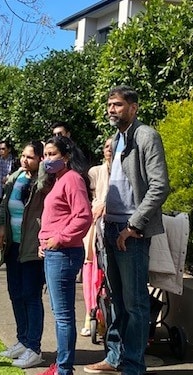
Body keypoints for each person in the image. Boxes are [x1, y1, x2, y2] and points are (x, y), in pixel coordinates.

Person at [84, 86, 170, 375]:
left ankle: (133, 371)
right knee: (115, 300)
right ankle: (116, 355)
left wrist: (133, 226)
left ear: (133, 107)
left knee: (135, 304)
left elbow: (159, 187)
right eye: (109, 104)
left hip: (130, 234)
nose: (111, 109)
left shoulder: (146, 136)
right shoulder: (118, 139)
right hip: (111, 227)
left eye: (118, 105)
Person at [33, 135, 92, 375]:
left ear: (66, 156)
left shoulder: (73, 179)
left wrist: (59, 239)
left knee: (64, 316)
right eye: (45, 154)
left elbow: (83, 216)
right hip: (54, 252)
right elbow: (55, 217)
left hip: (64, 254)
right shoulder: (58, 180)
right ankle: (60, 366)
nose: (47, 159)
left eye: (52, 154)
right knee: (60, 315)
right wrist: (44, 239)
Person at [0, 141, 50, 369]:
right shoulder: (15, 177)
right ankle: (22, 339)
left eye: (31, 157)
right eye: (23, 156)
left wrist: (46, 166)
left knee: (31, 295)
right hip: (13, 245)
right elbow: (4, 205)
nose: (25, 160)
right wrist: (0, 225)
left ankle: (34, 347)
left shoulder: (44, 182)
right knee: (15, 293)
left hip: (32, 247)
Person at [80, 136, 112, 336]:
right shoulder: (95, 171)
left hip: (114, 224)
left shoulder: (124, 170)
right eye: (106, 146)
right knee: (92, 273)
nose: (109, 149)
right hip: (95, 226)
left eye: (112, 146)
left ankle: (109, 319)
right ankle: (92, 315)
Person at [0, 140, 16, 205]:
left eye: (3, 149)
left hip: (11, 187)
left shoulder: (15, 161)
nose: (1, 151)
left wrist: (9, 177)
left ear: (9, 149)